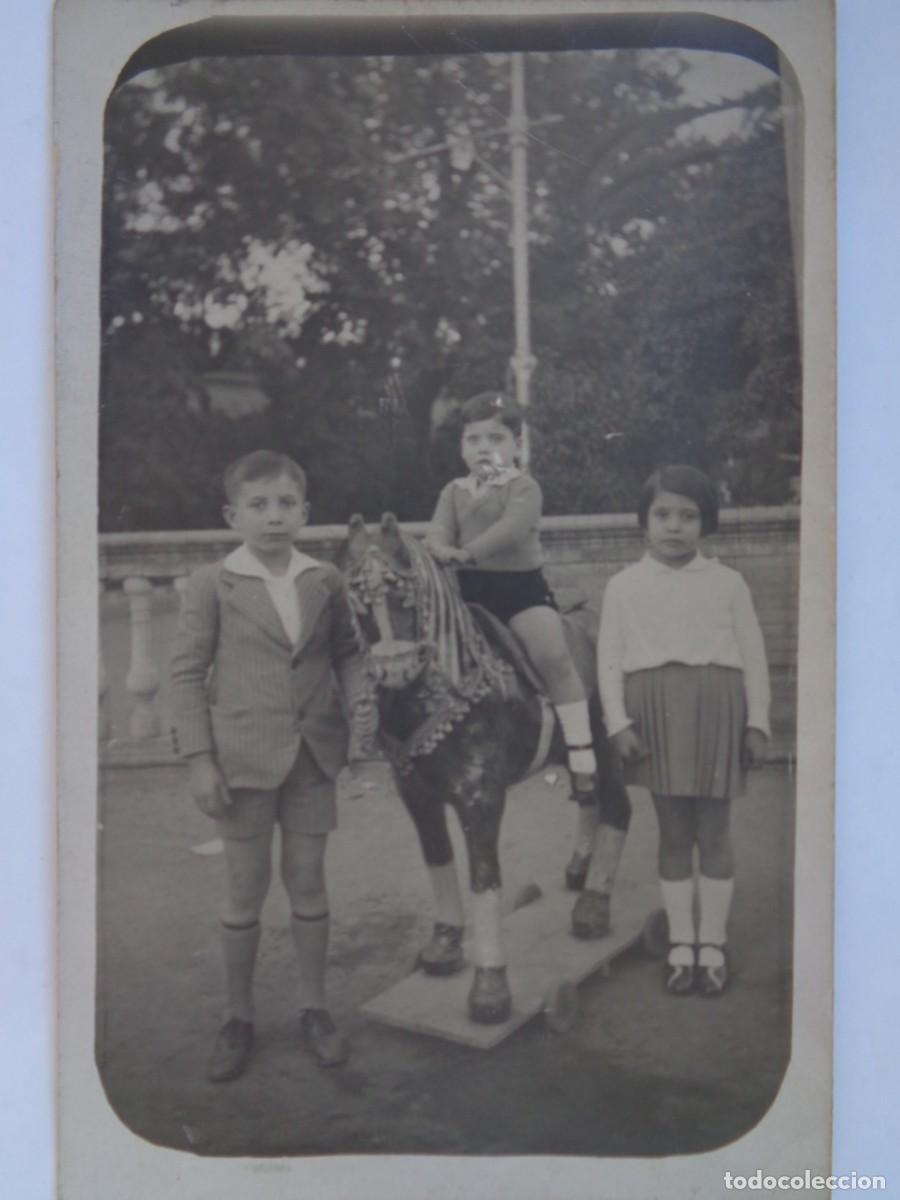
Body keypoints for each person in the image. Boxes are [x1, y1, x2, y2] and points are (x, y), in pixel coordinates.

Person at [170, 450, 366, 1081]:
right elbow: (184, 674)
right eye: (258, 505)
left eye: (286, 504)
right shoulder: (212, 584)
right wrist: (201, 759)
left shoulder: (323, 580)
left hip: (312, 756)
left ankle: (314, 1008)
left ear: (305, 512)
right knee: (245, 889)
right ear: (233, 515)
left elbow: (347, 654)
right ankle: (238, 1017)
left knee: (307, 879)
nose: (273, 518)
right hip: (241, 760)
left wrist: (360, 708)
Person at [596, 465, 770, 996]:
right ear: (644, 523)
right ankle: (681, 942)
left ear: (706, 524)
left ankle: (712, 941)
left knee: (713, 831)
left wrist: (757, 722)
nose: (675, 526)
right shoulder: (623, 585)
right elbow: (609, 660)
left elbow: (755, 658)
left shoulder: (728, 583)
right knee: (673, 833)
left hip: (717, 707)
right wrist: (618, 722)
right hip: (652, 714)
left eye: (689, 516)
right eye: (663, 515)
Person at [426, 391, 599, 789]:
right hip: (466, 593)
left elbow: (512, 530)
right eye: (474, 439)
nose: (484, 448)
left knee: (552, 653)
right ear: (461, 446)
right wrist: (436, 546)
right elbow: (439, 527)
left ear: (517, 445)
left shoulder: (523, 487)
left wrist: (466, 553)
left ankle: (580, 747)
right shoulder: (454, 492)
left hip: (519, 591)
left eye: (496, 439)